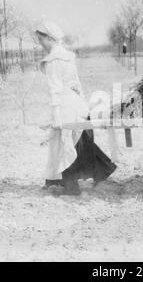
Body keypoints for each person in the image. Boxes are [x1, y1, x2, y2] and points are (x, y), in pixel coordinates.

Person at [36, 21, 117, 195]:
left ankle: (70, 185)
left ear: (50, 38)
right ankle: (58, 178)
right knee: (78, 142)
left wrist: (57, 115)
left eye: (41, 39)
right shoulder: (67, 56)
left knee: (66, 144)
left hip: (65, 106)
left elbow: (55, 90)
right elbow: (76, 84)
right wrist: (83, 105)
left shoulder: (53, 60)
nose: (40, 43)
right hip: (76, 104)